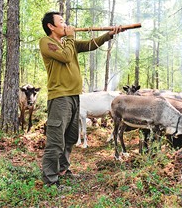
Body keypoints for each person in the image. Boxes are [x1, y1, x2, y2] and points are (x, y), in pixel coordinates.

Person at [39, 11, 125, 187]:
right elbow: (66, 57)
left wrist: (109, 35)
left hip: (74, 97)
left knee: (70, 137)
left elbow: (89, 45)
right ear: (50, 26)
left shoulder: (67, 43)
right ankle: (50, 180)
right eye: (61, 22)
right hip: (59, 98)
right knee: (55, 140)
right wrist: (70, 37)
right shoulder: (46, 42)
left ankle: (63, 170)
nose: (65, 24)